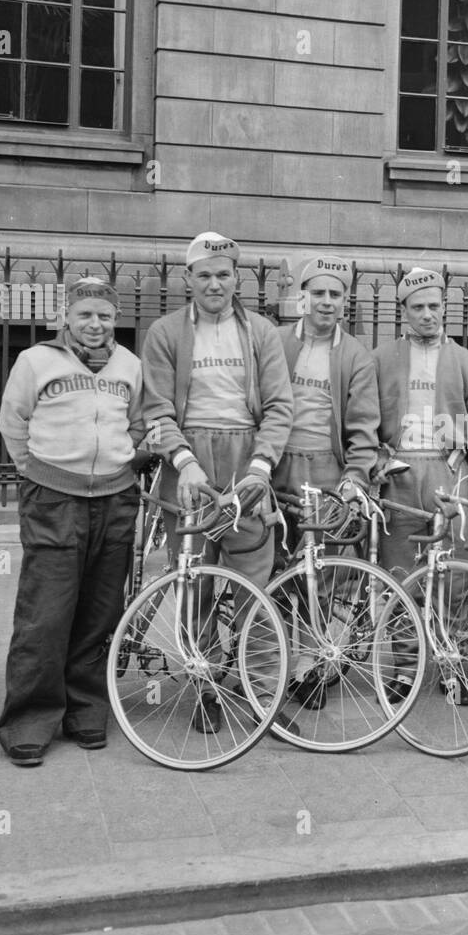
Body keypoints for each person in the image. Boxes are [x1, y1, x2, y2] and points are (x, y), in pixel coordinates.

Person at [140, 232, 295, 734]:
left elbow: (279, 407)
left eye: (223, 274)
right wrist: (183, 461)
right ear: (188, 279)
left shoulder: (262, 333)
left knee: (257, 585)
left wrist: (261, 467)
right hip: (190, 465)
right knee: (196, 584)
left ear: (236, 279)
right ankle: (206, 686)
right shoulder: (164, 333)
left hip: (246, 460)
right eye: (204, 274)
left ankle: (263, 692)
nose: (214, 283)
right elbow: (157, 409)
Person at [0, 278, 145, 767]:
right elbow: (12, 421)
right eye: (85, 314)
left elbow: (139, 422)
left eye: (104, 315)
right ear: (67, 317)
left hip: (115, 498)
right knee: (46, 613)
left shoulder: (130, 366)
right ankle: (29, 720)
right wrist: (34, 471)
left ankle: (85, 709)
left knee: (100, 612)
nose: (95, 324)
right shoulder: (36, 361)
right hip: (54, 499)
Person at [275, 254, 381, 707]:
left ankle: (314, 665)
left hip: (326, 470)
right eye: (317, 293)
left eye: (335, 294)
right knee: (277, 570)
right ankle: (274, 663)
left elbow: (363, 425)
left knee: (322, 577)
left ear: (345, 301)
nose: (326, 301)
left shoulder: (355, 354)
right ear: (302, 297)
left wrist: (354, 477)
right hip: (279, 467)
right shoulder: (276, 342)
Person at [374, 266, 468, 582]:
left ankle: (450, 631)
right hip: (398, 473)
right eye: (418, 307)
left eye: (434, 306)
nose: (427, 315)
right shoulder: (381, 358)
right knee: (399, 572)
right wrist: (373, 461)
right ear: (403, 309)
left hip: (448, 471)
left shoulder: (464, 361)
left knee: (453, 570)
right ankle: (404, 632)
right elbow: (366, 419)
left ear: (444, 306)